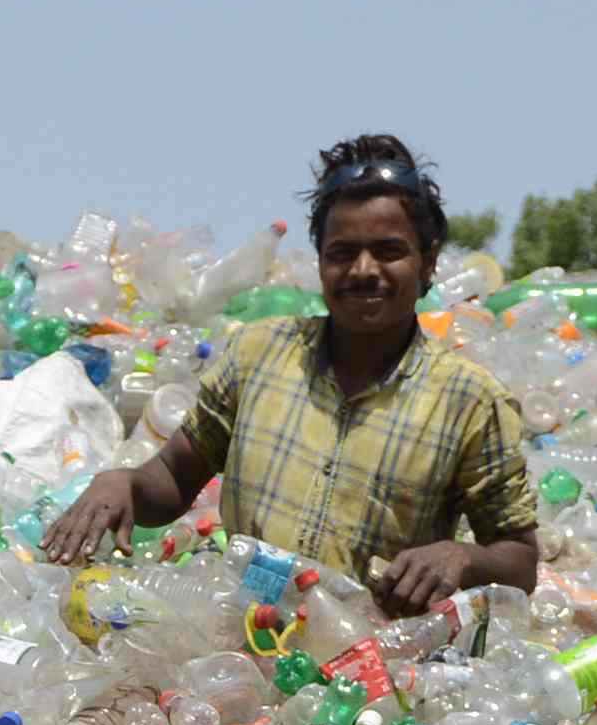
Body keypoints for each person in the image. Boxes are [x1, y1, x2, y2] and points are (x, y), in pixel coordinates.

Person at [45, 133, 541, 614]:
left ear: (427, 264)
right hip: (244, 643)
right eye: (342, 253)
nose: (364, 270)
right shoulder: (258, 354)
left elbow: (519, 560)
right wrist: (122, 485)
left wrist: (463, 557)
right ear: (321, 262)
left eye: (389, 251)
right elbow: (175, 476)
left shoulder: (470, 402)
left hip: (367, 672)